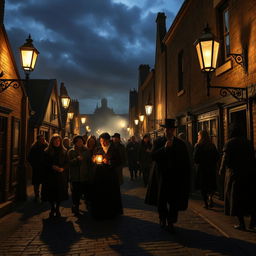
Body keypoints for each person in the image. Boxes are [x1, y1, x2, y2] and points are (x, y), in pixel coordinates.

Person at [151, 119, 190, 233]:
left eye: (170, 129)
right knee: (161, 201)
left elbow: (185, 161)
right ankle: (162, 218)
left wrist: (185, 177)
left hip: (175, 178)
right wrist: (164, 148)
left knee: (174, 201)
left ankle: (171, 221)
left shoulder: (180, 143)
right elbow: (153, 156)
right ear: (164, 130)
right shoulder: (158, 142)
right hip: (162, 177)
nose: (168, 131)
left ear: (174, 130)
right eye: (166, 129)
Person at [219, 124, 256, 230]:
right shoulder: (248, 142)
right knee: (249, 199)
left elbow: (225, 159)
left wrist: (221, 170)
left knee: (236, 200)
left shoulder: (229, 143)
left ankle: (242, 224)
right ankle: (252, 222)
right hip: (249, 174)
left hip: (234, 175)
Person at [91, 132, 123, 219]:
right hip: (100, 175)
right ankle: (101, 211)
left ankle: (112, 211)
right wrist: (94, 159)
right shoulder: (97, 148)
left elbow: (119, 161)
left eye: (104, 141)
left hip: (111, 175)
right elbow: (93, 158)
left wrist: (109, 162)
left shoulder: (114, 149)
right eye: (101, 141)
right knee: (100, 193)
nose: (103, 143)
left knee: (111, 193)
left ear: (108, 140)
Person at [41, 134, 69, 218]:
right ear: (51, 142)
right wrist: (51, 166)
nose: (57, 142)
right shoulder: (47, 151)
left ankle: (57, 208)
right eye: (55, 141)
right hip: (50, 176)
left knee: (59, 193)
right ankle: (52, 207)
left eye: (58, 141)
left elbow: (67, 163)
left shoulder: (64, 151)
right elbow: (44, 162)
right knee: (51, 193)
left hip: (60, 176)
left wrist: (63, 168)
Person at [193, 130, 219, 209]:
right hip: (211, 168)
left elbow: (195, 158)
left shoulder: (198, 145)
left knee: (203, 187)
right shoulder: (211, 145)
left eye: (198, 135)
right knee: (211, 184)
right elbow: (217, 156)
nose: (197, 136)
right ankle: (210, 198)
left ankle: (206, 203)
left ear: (200, 136)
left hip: (202, 169)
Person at [68, 135, 91, 215]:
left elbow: (89, 163)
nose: (79, 143)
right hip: (75, 176)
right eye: (77, 141)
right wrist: (76, 159)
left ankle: (87, 205)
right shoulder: (71, 151)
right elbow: (69, 163)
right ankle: (76, 206)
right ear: (75, 142)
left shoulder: (87, 151)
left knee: (85, 192)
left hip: (84, 176)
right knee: (75, 193)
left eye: (81, 141)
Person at [28, 134, 48, 202]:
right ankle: (36, 195)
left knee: (44, 182)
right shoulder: (34, 147)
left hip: (44, 168)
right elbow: (29, 158)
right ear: (38, 139)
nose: (43, 140)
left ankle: (43, 195)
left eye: (43, 138)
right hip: (37, 168)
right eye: (41, 139)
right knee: (36, 183)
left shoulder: (46, 146)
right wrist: (34, 165)